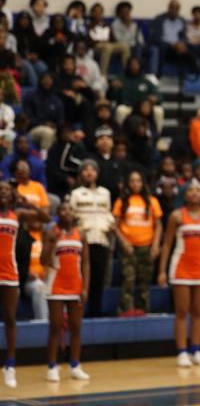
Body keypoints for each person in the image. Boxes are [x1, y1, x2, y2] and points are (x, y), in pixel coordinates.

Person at [158, 180, 200, 367]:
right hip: (181, 267)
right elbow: (167, 244)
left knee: (198, 311)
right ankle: (182, 351)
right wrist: (162, 270)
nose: (194, 193)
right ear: (184, 195)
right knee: (182, 312)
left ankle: (196, 349)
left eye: (197, 191)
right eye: (190, 190)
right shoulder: (176, 216)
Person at [0, 180, 49, 388]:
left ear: (12, 195)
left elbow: (45, 218)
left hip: (10, 272)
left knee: (10, 317)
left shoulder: (17, 215)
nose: (3, 193)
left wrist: (27, 203)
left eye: (6, 191)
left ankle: (10, 365)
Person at [42, 202, 91, 382]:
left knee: (76, 326)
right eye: (63, 209)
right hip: (55, 285)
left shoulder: (81, 234)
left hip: (76, 285)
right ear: (58, 213)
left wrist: (85, 287)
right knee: (55, 326)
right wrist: (51, 243)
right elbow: (43, 260)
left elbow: (85, 263)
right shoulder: (50, 232)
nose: (67, 212)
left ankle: (75, 365)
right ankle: (52, 366)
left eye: (70, 209)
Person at [67, 159, 115, 317]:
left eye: (92, 170)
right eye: (86, 170)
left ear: (97, 174)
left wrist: (110, 225)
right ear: (81, 174)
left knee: (98, 276)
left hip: (100, 238)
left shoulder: (105, 193)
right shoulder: (76, 194)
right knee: (81, 276)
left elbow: (108, 214)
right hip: (82, 240)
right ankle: (78, 309)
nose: (89, 172)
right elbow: (71, 216)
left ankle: (96, 310)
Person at [112, 171, 162, 316]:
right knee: (128, 280)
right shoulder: (121, 201)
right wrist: (124, 242)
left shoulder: (152, 201)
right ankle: (125, 312)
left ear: (143, 183)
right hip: (128, 247)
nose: (135, 184)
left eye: (138, 181)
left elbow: (158, 224)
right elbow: (114, 225)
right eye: (132, 181)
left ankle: (143, 312)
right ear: (128, 183)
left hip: (146, 246)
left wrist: (156, 244)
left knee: (144, 283)